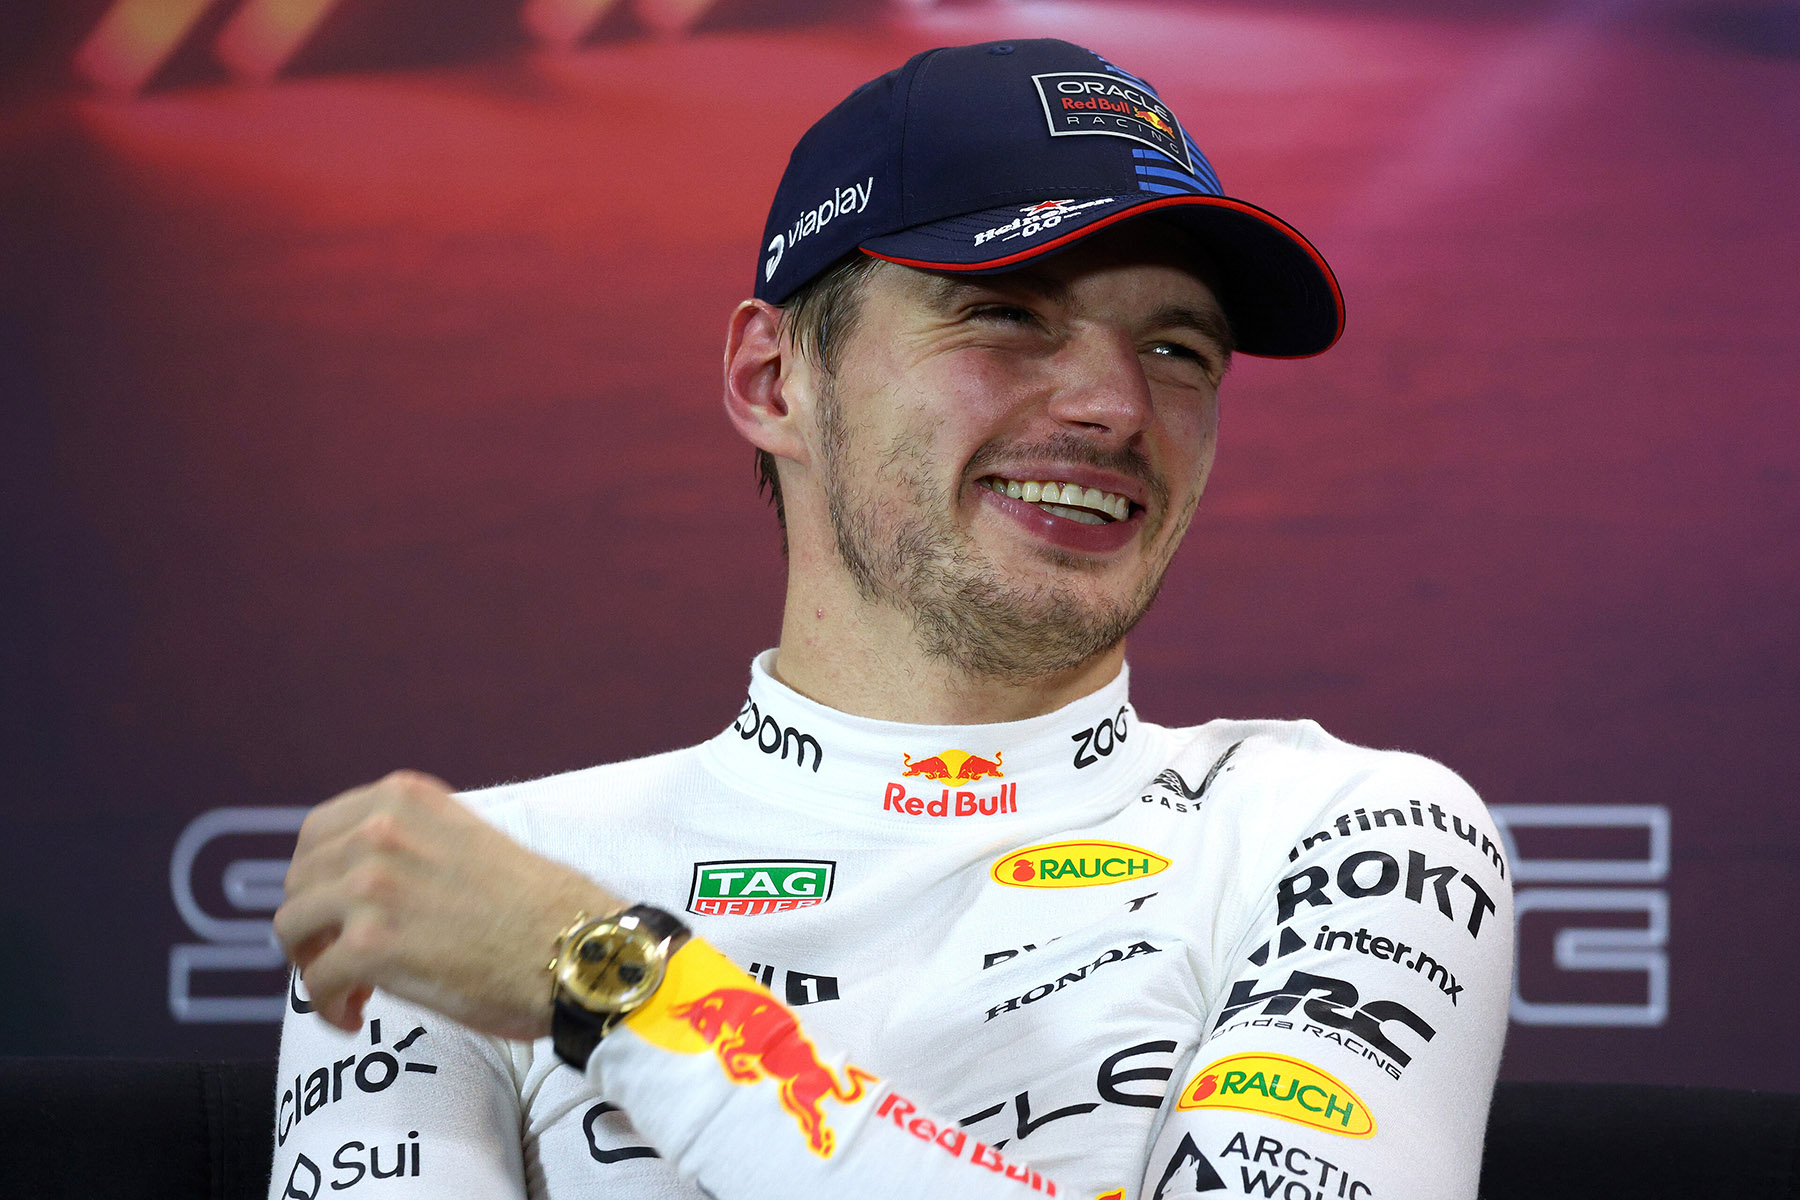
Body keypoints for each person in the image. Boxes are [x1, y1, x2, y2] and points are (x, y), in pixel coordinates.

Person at [269, 37, 1511, 1200]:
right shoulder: (466, 886)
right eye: (1008, 312)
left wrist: (620, 988)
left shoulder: (1349, 833)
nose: (1116, 406)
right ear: (773, 381)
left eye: (1178, 349)